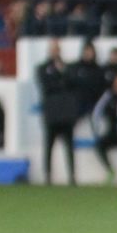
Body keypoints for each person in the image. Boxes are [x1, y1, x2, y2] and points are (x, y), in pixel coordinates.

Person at [37, 40, 79, 185]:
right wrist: (61, 79)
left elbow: (73, 83)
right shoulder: (42, 68)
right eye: (53, 49)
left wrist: (61, 74)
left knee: (69, 146)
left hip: (66, 113)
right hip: (52, 114)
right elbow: (47, 86)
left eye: (57, 49)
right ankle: (48, 175)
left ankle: (72, 175)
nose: (55, 51)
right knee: (49, 146)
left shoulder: (67, 67)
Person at [89, 69, 117, 182]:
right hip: (113, 133)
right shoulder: (109, 96)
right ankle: (110, 170)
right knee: (99, 145)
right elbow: (96, 112)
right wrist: (96, 130)